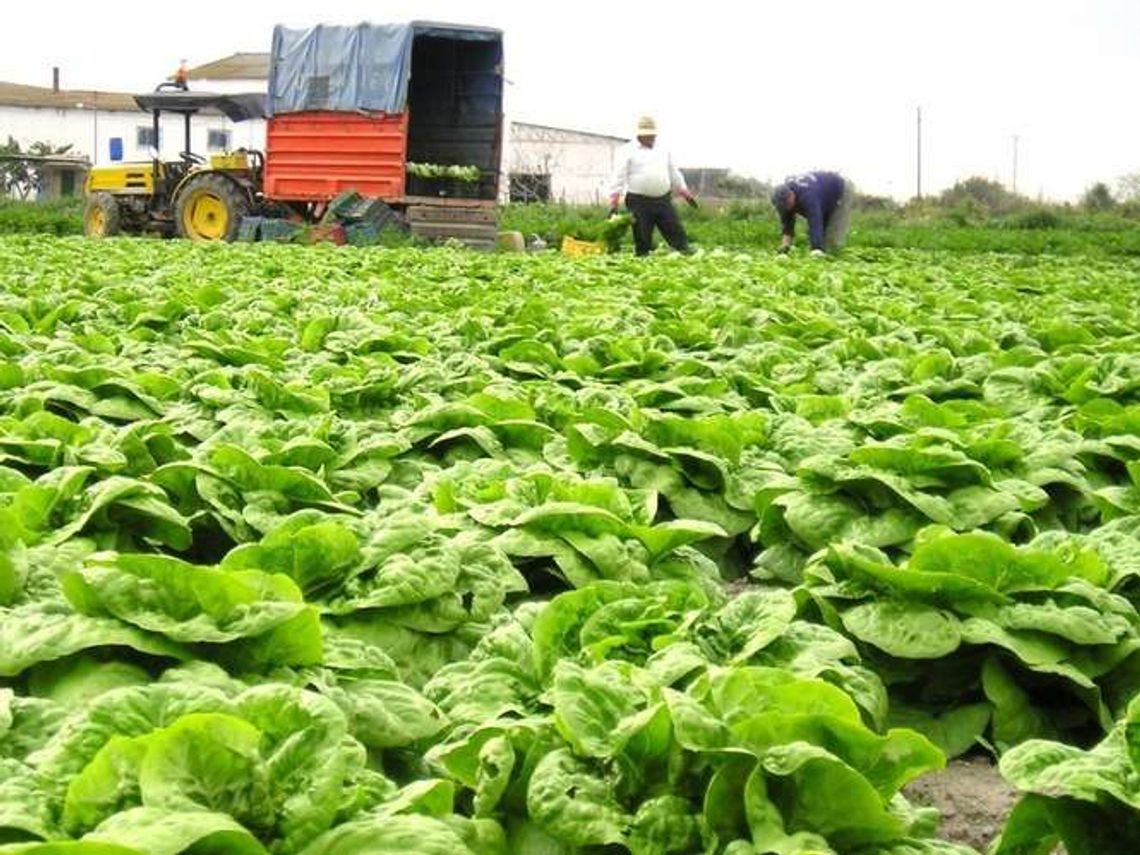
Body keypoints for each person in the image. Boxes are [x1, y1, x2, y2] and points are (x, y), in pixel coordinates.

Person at [607, 116, 698, 256]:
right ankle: (642, 257)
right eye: (646, 134)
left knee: (674, 228)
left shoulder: (663, 150)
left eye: (651, 134)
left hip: (662, 199)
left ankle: (685, 251)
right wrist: (614, 198)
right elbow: (619, 175)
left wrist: (683, 190)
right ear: (639, 134)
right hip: (638, 201)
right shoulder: (627, 150)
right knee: (642, 235)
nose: (649, 137)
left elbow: (673, 172)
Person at [769, 171, 853, 256]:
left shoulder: (808, 196)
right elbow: (787, 224)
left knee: (832, 242)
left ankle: (833, 258)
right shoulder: (783, 199)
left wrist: (816, 248)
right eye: (783, 206)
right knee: (820, 237)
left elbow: (815, 221)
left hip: (840, 189)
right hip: (821, 194)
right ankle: (821, 248)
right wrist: (785, 246)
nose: (786, 208)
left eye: (787, 205)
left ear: (791, 195)